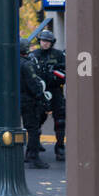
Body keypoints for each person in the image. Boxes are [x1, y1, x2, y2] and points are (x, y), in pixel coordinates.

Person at [31, 30, 65, 161]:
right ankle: (35, 145)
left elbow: (65, 73)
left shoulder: (58, 55)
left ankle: (60, 147)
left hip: (56, 91)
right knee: (37, 119)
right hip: (39, 92)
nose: (45, 43)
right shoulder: (34, 55)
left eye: (48, 41)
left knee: (60, 120)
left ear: (52, 43)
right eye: (43, 41)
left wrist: (54, 75)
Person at [19, 38, 50, 170]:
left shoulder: (11, 62)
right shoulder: (26, 64)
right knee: (33, 129)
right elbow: (34, 84)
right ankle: (33, 157)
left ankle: (28, 155)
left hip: (16, 99)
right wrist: (41, 96)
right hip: (28, 100)